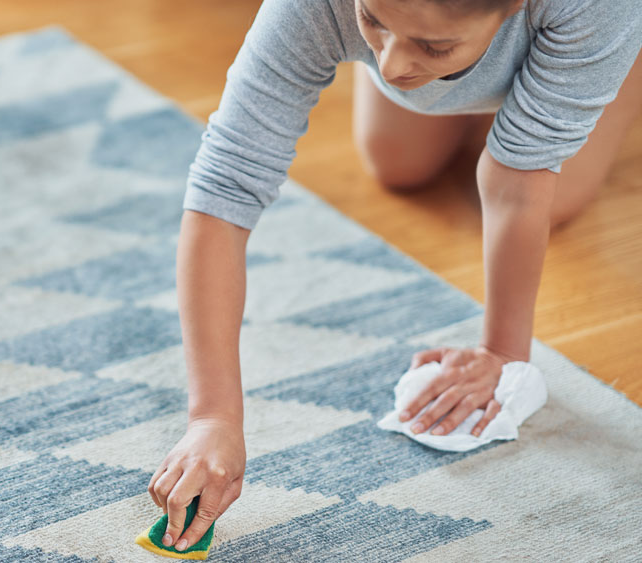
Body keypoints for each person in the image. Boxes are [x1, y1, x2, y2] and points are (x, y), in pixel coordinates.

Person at [147, 0, 642, 553]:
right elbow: (227, 185)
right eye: (372, 21)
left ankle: (565, 74)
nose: (390, 66)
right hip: (458, 30)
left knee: (557, 195)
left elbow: (517, 183)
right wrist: (212, 416)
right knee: (397, 167)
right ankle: (467, 70)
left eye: (431, 46)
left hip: (577, 33)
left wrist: (502, 353)